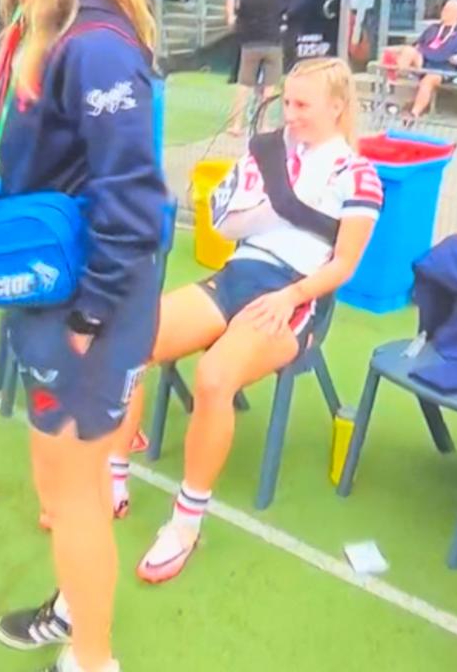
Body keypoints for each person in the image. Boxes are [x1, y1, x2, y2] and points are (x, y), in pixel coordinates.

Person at [0, 0, 165, 669]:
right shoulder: (38, 22)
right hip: (48, 287)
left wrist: (88, 314)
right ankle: (72, 605)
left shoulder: (93, 43)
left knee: (78, 488)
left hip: (86, 299)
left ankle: (93, 658)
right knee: (54, 480)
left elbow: (134, 201)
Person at [106, 58, 381, 584]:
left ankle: (186, 523)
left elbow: (344, 265)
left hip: (296, 293)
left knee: (214, 377)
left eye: (303, 105)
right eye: (288, 102)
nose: (290, 114)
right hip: (239, 273)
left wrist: (290, 297)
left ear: (337, 107)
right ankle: (114, 476)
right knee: (128, 340)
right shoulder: (271, 151)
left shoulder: (359, 176)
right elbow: (227, 219)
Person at [229, 0, 285, 135]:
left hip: (251, 43)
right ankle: (263, 125)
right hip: (272, 42)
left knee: (244, 85)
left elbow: (240, 17)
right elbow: (282, 12)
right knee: (269, 86)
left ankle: (237, 125)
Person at [388, 0, 457, 123]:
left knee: (429, 80)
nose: (444, 12)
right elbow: (418, 44)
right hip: (425, 61)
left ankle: (414, 114)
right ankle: (397, 78)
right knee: (408, 50)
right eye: (444, 9)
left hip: (444, 67)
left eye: (448, 10)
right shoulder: (433, 28)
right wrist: (415, 50)